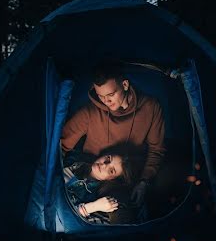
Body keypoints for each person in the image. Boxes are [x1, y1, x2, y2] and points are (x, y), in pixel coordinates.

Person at [60, 59, 166, 211]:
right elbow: (60, 146)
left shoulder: (151, 107)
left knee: (126, 211)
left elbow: (156, 150)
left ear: (125, 85)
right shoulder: (89, 112)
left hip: (125, 179)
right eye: (100, 96)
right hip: (89, 176)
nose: (106, 101)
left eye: (110, 94)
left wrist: (144, 181)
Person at [63, 150, 134, 224]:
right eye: (108, 158)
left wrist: (92, 207)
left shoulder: (96, 197)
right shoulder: (77, 161)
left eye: (111, 171)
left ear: (111, 179)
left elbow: (64, 218)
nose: (104, 165)